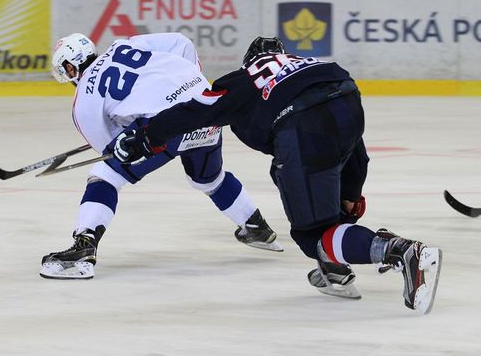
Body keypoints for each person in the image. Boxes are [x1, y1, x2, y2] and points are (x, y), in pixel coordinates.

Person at [111, 36, 443, 314]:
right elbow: (355, 151)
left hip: (302, 124)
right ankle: (335, 264)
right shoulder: (308, 64)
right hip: (346, 97)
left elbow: (196, 110)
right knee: (309, 183)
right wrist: (352, 195)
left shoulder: (243, 80)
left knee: (311, 234)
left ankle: (399, 251)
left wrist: (146, 137)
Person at [40, 32, 283, 280]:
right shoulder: (124, 45)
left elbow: (110, 149)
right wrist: (193, 85)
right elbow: (182, 43)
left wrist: (134, 136)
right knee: (208, 179)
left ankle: (84, 245)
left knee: (105, 176)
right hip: (206, 104)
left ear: (70, 67)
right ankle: (256, 228)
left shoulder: (83, 99)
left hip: (163, 125)